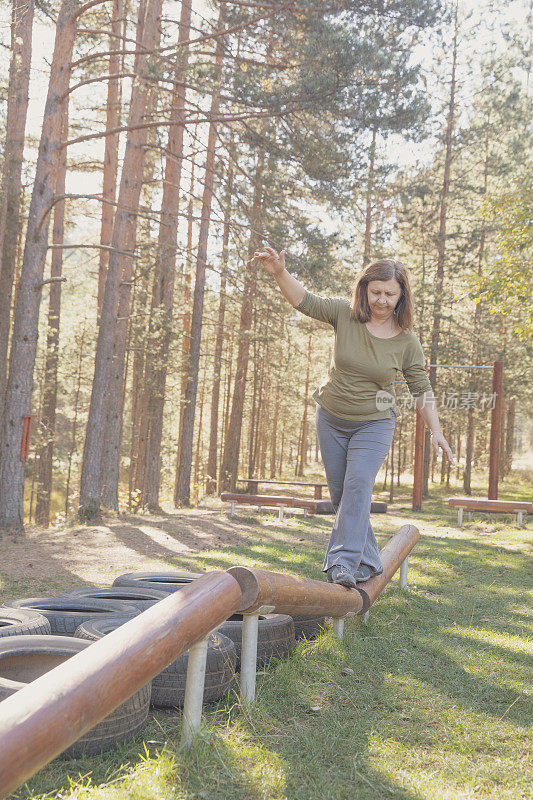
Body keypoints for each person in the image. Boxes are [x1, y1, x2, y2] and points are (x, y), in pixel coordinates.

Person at [252, 246, 454, 589]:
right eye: (376, 291)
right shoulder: (344, 315)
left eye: (391, 293)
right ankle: (371, 561)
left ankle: (341, 564)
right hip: (331, 417)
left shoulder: (407, 342)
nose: (382, 300)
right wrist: (279, 273)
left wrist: (436, 430)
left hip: (374, 422)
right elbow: (305, 301)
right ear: (364, 289)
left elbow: (421, 388)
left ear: (402, 295)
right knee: (342, 498)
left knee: (358, 486)